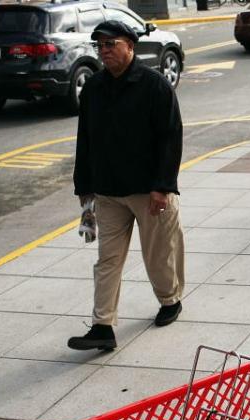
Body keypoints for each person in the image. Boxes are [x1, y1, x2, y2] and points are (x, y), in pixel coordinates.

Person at [69, 20, 185, 351]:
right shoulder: (93, 88)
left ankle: (170, 299)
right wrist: (84, 186)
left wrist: (162, 186)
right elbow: (85, 140)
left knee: (159, 254)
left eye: (110, 44)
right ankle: (103, 326)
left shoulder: (155, 86)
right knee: (107, 260)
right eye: (99, 46)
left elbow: (170, 139)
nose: (104, 52)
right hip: (108, 192)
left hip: (149, 191)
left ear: (130, 47)